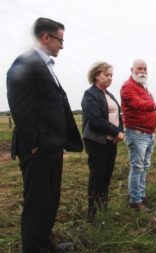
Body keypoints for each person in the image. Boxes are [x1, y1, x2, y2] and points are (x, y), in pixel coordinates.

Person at [6, 17, 83, 253]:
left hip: (51, 147)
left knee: (49, 201)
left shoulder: (45, 66)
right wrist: (33, 144)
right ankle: (34, 248)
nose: (62, 45)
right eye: (60, 40)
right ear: (46, 37)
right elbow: (20, 106)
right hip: (37, 149)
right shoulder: (26, 63)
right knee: (37, 203)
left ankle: (46, 245)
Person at [120, 59, 156, 210]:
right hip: (137, 133)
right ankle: (135, 201)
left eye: (145, 69)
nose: (142, 71)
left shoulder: (143, 88)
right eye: (139, 69)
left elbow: (144, 104)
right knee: (137, 167)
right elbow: (138, 104)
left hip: (148, 134)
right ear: (132, 70)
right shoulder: (127, 87)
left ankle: (140, 195)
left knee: (144, 166)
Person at [81, 61, 124, 222]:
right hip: (96, 142)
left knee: (106, 176)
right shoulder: (90, 94)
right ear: (96, 75)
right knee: (97, 177)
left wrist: (120, 131)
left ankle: (103, 209)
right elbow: (96, 120)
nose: (109, 78)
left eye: (111, 75)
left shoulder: (109, 94)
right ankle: (92, 215)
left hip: (110, 142)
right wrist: (116, 132)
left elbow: (118, 117)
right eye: (106, 74)